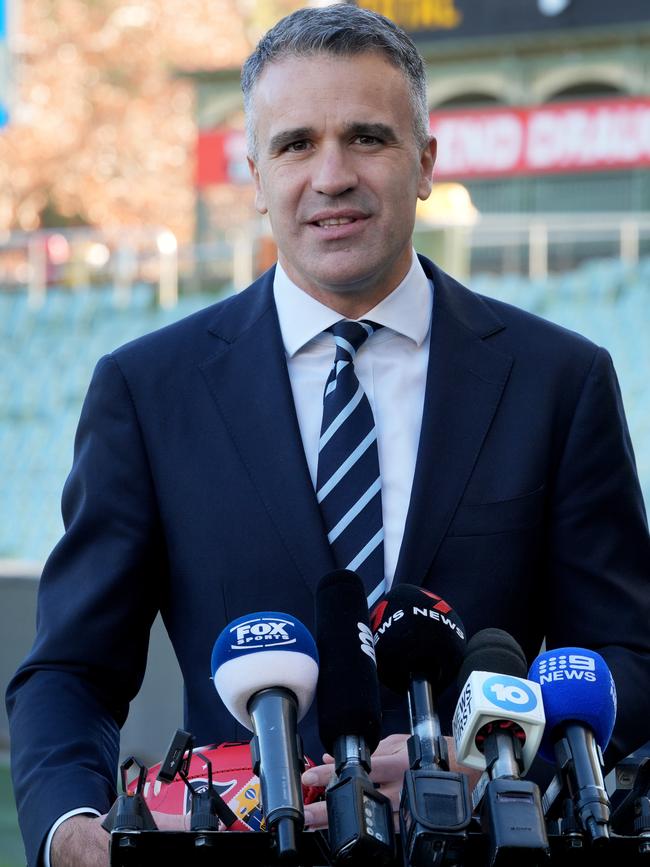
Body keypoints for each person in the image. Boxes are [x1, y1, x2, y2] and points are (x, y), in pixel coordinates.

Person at [6, 5, 650, 866]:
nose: (332, 175)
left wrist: (489, 752)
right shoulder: (146, 390)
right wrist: (71, 832)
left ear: (425, 162)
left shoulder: (558, 380)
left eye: (367, 139)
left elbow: (628, 656)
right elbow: (69, 670)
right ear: (256, 173)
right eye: (296, 143)